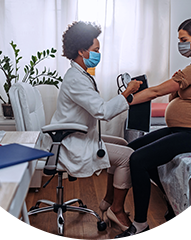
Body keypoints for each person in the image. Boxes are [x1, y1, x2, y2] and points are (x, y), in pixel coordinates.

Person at [114, 18, 191, 240]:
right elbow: (176, 95)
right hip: (183, 130)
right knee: (130, 149)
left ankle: (141, 226)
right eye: (179, 40)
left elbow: (155, 92)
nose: (180, 44)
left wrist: (123, 100)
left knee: (139, 159)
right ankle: (173, 202)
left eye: (184, 40)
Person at [46, 21, 142, 230]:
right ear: (81, 51)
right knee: (128, 156)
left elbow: (97, 108)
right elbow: (103, 112)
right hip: (70, 142)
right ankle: (116, 210)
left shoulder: (80, 75)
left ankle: (108, 200)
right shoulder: (76, 79)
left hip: (75, 135)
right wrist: (127, 93)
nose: (99, 54)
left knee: (123, 143)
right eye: (96, 50)